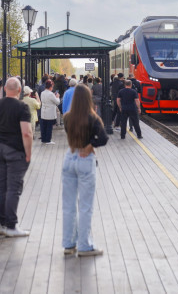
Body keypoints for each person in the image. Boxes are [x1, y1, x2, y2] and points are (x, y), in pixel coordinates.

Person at [62, 83, 108, 256]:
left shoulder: (67, 117)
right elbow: (103, 139)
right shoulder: (93, 118)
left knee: (68, 205)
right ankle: (84, 245)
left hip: (69, 158)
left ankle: (68, 244)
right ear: (88, 98)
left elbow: (70, 135)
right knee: (85, 206)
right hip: (84, 160)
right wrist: (90, 145)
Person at [0, 77, 33, 237]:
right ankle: (11, 225)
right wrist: (28, 152)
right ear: (19, 90)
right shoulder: (22, 107)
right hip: (15, 150)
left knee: (1, 185)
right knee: (13, 188)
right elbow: (26, 132)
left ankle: (2, 222)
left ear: (4, 89)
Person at [39, 80, 60, 144]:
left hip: (44, 111)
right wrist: (57, 97)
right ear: (51, 86)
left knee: (44, 127)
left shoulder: (42, 93)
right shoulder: (51, 94)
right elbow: (57, 102)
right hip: (50, 112)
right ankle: (48, 140)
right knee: (49, 127)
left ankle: (43, 139)